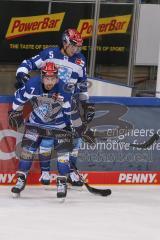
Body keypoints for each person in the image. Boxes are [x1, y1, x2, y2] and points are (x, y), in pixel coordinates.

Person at [15, 28, 95, 187]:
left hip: (68, 105)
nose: (76, 50)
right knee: (41, 140)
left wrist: (85, 104)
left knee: (75, 139)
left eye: (78, 47)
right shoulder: (49, 54)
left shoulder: (80, 60)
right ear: (65, 42)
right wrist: (22, 74)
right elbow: (28, 63)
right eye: (73, 46)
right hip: (47, 106)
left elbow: (83, 84)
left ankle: (71, 172)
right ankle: (39, 173)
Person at [9, 61, 85, 199]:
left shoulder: (64, 88)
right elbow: (18, 99)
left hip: (59, 125)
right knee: (27, 151)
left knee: (63, 155)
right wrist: (14, 112)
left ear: (57, 78)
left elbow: (71, 111)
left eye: (52, 78)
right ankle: (21, 178)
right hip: (35, 124)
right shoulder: (32, 85)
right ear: (42, 77)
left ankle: (62, 181)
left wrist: (75, 127)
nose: (49, 82)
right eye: (47, 78)